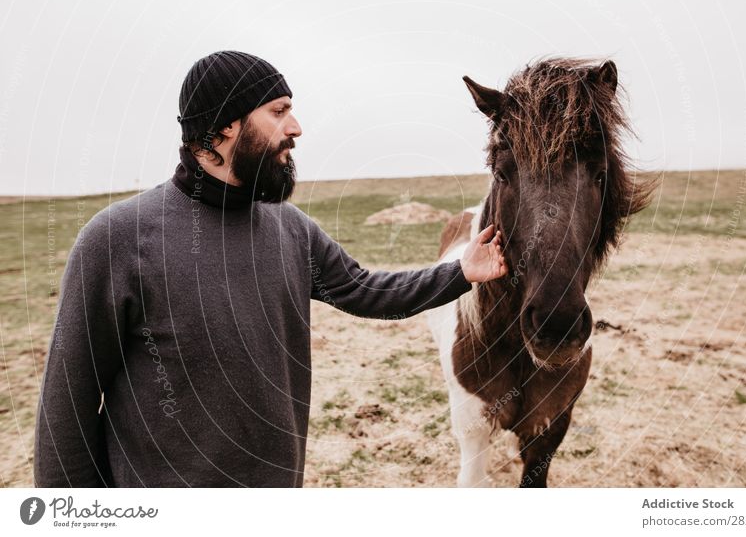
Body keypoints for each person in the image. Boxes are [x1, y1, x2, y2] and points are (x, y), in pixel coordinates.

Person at [34, 50, 507, 487]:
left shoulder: (290, 228)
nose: (296, 127)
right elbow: (66, 407)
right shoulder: (119, 239)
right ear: (222, 128)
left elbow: (366, 290)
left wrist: (460, 272)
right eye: (278, 111)